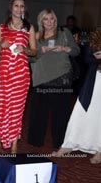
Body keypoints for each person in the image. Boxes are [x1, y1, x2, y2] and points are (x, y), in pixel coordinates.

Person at [27, 9, 80, 148]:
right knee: (38, 114)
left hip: (62, 77)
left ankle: (60, 142)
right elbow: (30, 58)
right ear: (41, 21)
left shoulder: (64, 33)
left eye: (52, 19)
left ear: (55, 20)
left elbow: (76, 51)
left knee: (61, 114)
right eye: (46, 19)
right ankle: (35, 143)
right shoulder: (36, 36)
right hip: (41, 78)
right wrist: (40, 51)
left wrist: (64, 48)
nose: (49, 22)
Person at [0, 0, 36, 154]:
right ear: (11, 8)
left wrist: (24, 49)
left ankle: (14, 144)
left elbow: (34, 51)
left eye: (22, 6)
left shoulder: (28, 28)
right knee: (0, 108)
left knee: (17, 109)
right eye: (16, 6)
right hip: (2, 74)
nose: (19, 9)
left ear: (25, 9)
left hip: (21, 74)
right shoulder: (1, 28)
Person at [52, 27, 101, 164]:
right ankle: (68, 144)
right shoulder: (96, 35)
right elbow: (87, 59)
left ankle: (99, 150)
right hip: (94, 79)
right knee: (80, 111)